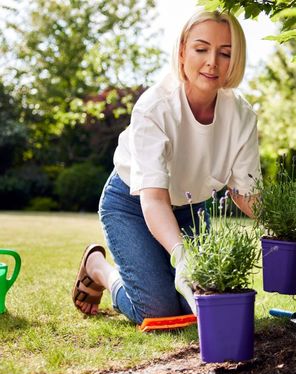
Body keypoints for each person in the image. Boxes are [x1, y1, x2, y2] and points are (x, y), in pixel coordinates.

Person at [72, 9, 260, 325]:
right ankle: (98, 268)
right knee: (158, 311)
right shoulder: (154, 107)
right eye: (201, 49)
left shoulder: (241, 116)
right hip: (132, 204)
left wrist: (285, 226)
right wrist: (181, 254)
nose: (212, 61)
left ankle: (153, 273)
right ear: (183, 50)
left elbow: (243, 191)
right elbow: (154, 198)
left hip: (191, 209)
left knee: (200, 305)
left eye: (225, 53)